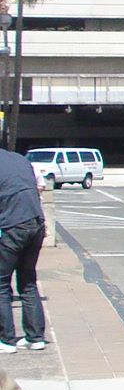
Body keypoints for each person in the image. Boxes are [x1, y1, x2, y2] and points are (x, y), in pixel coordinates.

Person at [0, 147, 47, 353]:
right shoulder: (19, 159)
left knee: (1, 284)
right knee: (28, 281)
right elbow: (40, 185)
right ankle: (35, 338)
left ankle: (6, 340)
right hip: (36, 223)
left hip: (12, 225)